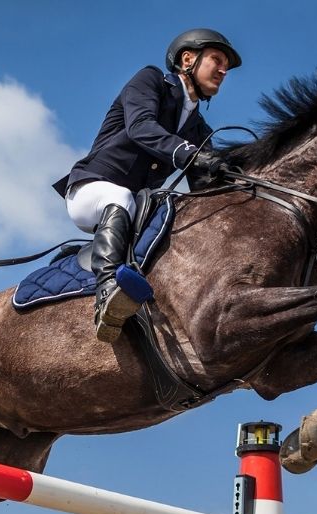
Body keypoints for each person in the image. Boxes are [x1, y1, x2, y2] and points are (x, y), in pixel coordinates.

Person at [52, 28, 241, 343]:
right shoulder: (150, 80)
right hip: (92, 189)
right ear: (188, 58)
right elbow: (140, 127)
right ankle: (108, 291)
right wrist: (191, 154)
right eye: (217, 60)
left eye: (226, 66)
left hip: (138, 204)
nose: (223, 70)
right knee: (121, 197)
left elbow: (205, 190)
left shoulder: (200, 128)